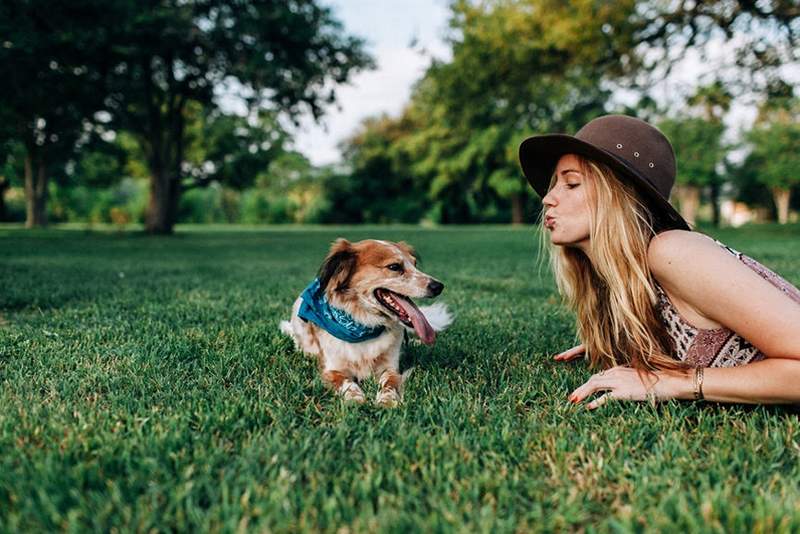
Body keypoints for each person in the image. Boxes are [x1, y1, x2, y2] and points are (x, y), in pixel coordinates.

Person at [518, 114, 800, 408]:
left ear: (619, 197)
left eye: (572, 184)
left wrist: (673, 383)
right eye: (554, 185)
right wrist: (629, 343)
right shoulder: (625, 285)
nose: (547, 199)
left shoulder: (674, 252)